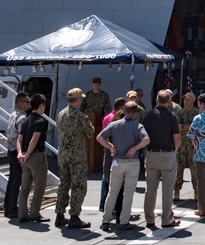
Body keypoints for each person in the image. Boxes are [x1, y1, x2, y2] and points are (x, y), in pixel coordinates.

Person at [97, 101, 149, 232]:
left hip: (117, 161)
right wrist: (134, 148)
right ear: (136, 112)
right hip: (132, 162)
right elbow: (146, 139)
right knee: (128, 193)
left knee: (112, 191)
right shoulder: (138, 126)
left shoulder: (114, 125)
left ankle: (106, 220)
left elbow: (100, 137)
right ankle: (124, 221)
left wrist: (110, 146)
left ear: (124, 111)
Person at [54, 87, 95, 229]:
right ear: (77, 101)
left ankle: (59, 214)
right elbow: (90, 132)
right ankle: (74, 216)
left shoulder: (61, 114)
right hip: (76, 156)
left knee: (64, 184)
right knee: (78, 185)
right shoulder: (79, 116)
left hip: (63, 155)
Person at [142, 90, 181, 230]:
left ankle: (149, 219)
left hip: (152, 153)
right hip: (167, 154)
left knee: (150, 189)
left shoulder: (149, 115)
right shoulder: (171, 116)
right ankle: (166, 218)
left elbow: (143, 135)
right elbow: (177, 138)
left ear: (156, 100)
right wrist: (174, 151)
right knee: (167, 189)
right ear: (169, 102)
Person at [17, 94, 50, 223]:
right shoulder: (40, 121)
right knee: (40, 185)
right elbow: (34, 139)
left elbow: (19, 139)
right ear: (41, 105)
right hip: (35, 156)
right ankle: (35, 213)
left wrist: (21, 154)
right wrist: (28, 154)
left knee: (25, 187)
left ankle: (22, 214)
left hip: (24, 157)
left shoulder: (25, 120)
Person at [3, 92, 30, 218]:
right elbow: (21, 137)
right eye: (27, 102)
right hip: (17, 152)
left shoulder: (13, 115)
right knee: (16, 181)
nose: (29, 105)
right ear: (20, 103)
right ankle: (13, 208)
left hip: (10, 150)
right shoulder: (23, 118)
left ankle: (8, 206)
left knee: (12, 179)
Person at [99, 97, 127, 214]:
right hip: (117, 152)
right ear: (121, 107)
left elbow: (102, 136)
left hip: (107, 150)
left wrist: (109, 146)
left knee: (106, 178)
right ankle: (115, 207)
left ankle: (102, 204)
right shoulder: (120, 119)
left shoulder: (106, 118)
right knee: (117, 182)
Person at [174, 91, 199, 201]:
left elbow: (197, 127)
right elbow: (178, 126)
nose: (185, 101)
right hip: (181, 143)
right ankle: (176, 191)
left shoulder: (197, 112)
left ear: (193, 101)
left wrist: (186, 127)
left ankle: (197, 191)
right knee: (179, 167)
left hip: (193, 144)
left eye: (188, 99)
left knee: (195, 168)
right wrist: (188, 126)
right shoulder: (180, 112)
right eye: (185, 99)